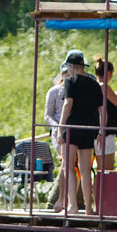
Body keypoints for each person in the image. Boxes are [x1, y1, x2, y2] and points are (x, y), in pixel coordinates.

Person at [57, 52, 104, 213]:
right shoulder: (94, 84)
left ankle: (72, 206)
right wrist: (101, 131)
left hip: (72, 128)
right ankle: (89, 208)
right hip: (89, 129)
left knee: (68, 167)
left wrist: (60, 128)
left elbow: (67, 104)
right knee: (85, 170)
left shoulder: (70, 81)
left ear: (71, 67)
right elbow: (102, 110)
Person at [43, 58, 71, 211]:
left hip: (74, 131)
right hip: (59, 132)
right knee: (66, 163)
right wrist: (58, 127)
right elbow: (47, 115)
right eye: (65, 73)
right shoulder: (54, 91)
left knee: (72, 165)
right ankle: (60, 198)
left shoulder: (75, 90)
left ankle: (70, 199)